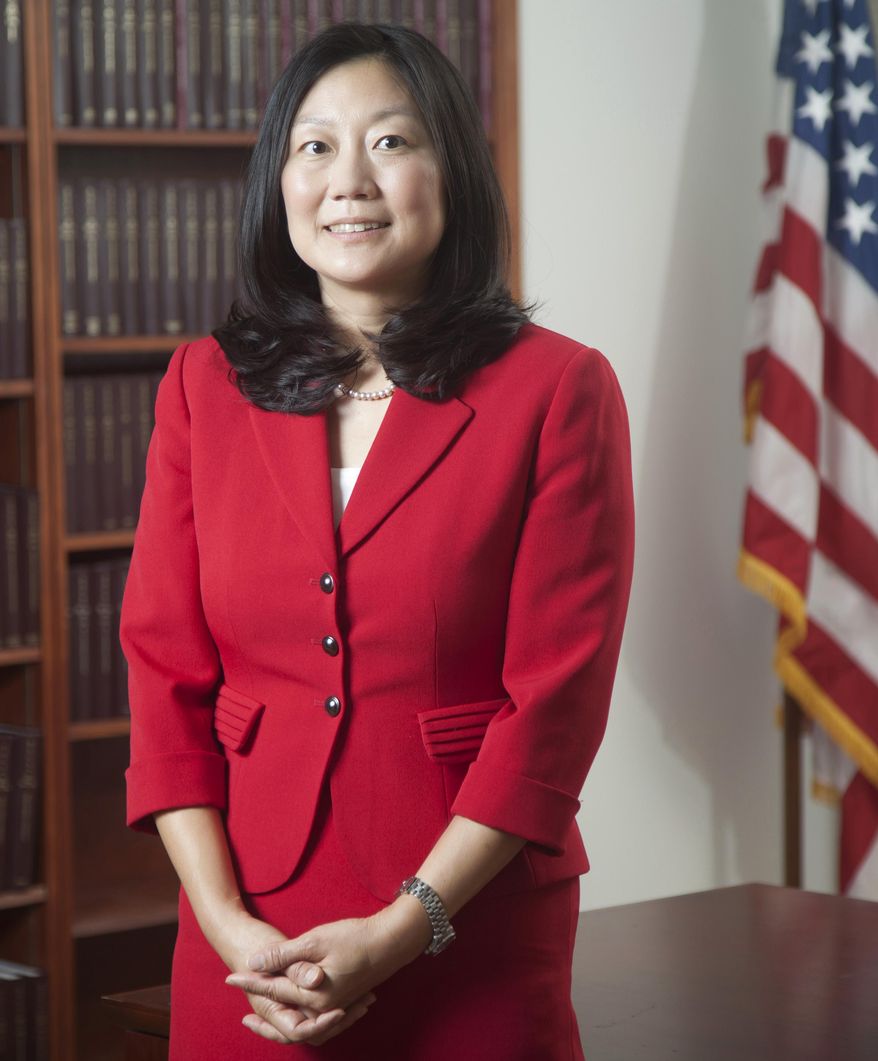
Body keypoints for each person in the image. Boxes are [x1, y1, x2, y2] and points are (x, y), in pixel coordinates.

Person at [121, 21, 634, 1060]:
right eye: (314, 147)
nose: (348, 180)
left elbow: (554, 704)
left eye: (391, 143)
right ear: (278, 182)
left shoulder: (556, 388)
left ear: (450, 171)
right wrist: (227, 927)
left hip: (463, 921)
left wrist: (405, 929)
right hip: (247, 936)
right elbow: (162, 671)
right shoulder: (201, 387)